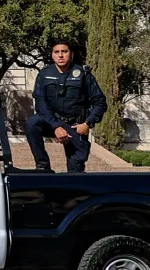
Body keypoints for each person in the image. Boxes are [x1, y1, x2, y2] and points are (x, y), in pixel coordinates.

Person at [25, 41, 107, 173]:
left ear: (71, 54)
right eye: (57, 52)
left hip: (76, 126)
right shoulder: (44, 74)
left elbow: (100, 101)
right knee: (32, 123)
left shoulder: (83, 74)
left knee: (75, 171)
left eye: (64, 51)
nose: (60, 55)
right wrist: (55, 126)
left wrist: (87, 124)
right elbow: (40, 102)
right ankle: (42, 165)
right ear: (52, 55)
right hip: (53, 122)